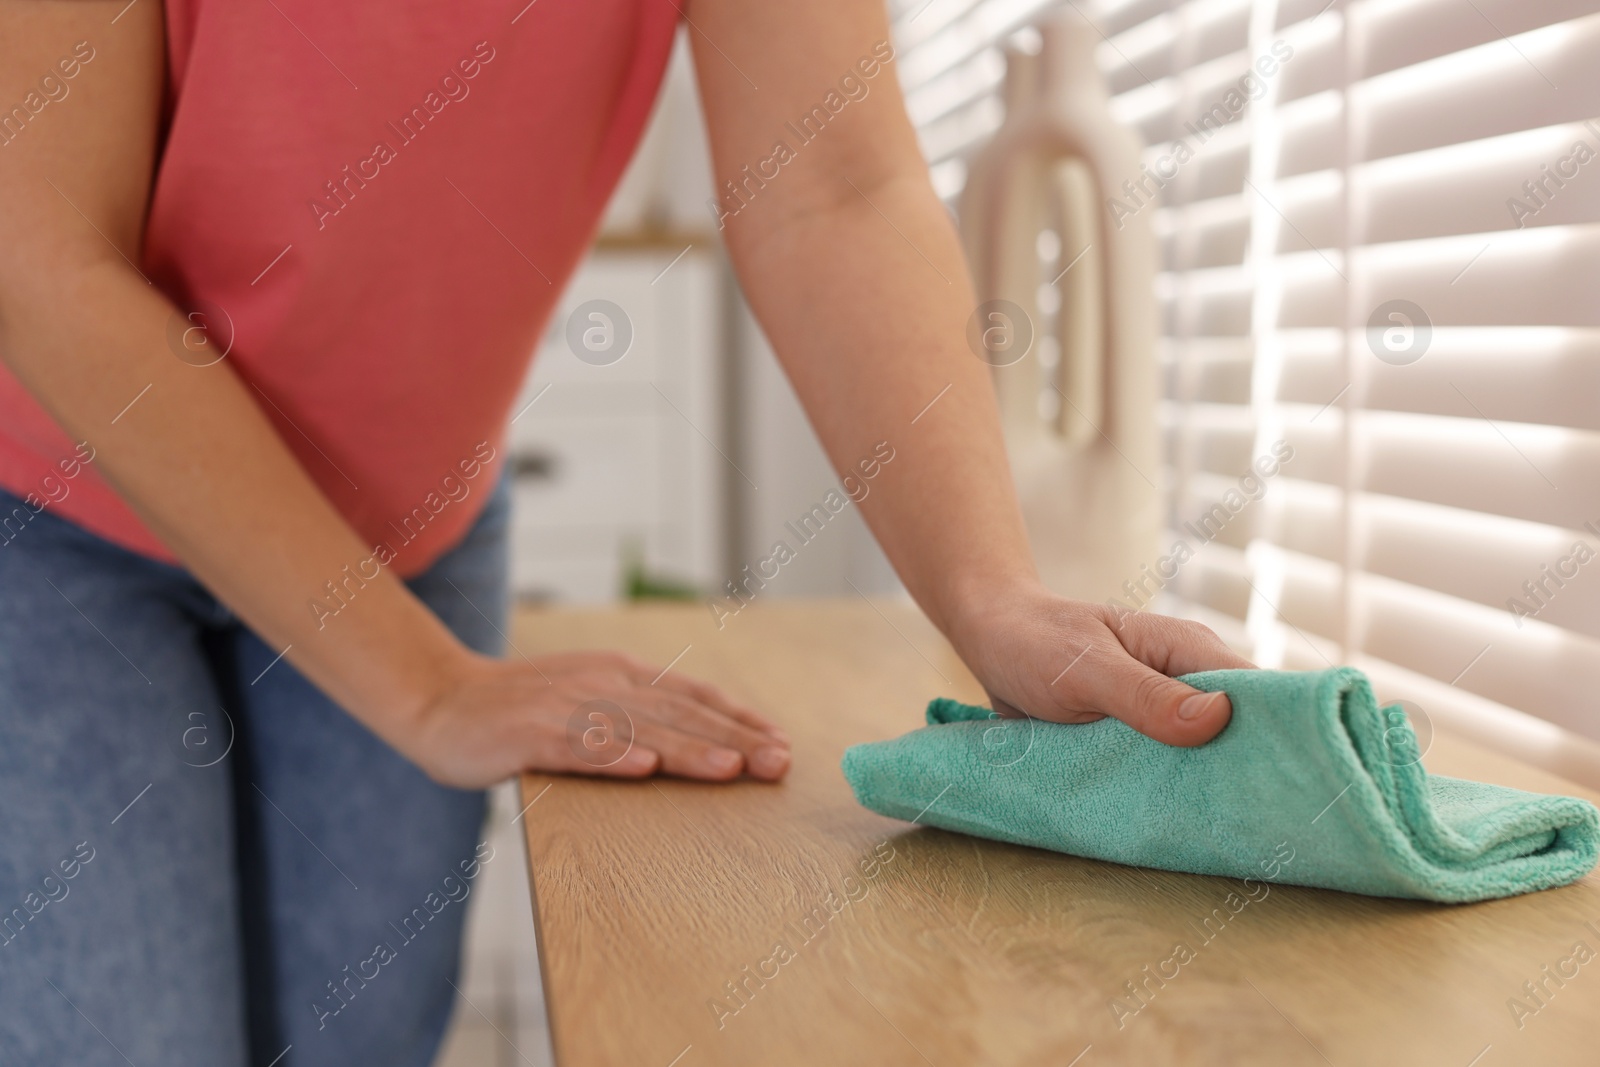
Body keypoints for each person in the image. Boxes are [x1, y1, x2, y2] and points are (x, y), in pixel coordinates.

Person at [0, 0, 1252, 1063]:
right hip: (51, 513)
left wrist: (993, 594)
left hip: (407, 529)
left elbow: (836, 183)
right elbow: (41, 246)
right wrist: (429, 690)